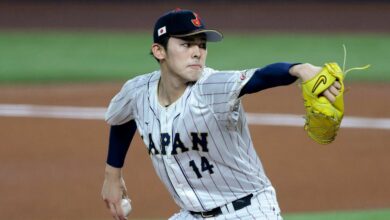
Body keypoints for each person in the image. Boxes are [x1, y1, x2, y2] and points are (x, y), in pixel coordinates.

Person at [101, 9, 341, 220]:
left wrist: (298, 68)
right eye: (186, 44)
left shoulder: (211, 86)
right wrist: (113, 176)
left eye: (202, 44)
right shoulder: (137, 91)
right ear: (159, 51)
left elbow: (261, 77)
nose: (197, 52)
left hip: (248, 211)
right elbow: (123, 117)